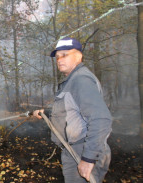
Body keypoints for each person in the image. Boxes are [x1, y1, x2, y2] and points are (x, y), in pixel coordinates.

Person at [33, 37, 112, 183]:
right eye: (57, 57)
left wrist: (88, 158)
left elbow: (101, 119)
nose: (59, 60)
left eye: (65, 55)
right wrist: (47, 114)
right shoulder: (72, 80)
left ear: (78, 56)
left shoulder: (81, 80)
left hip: (82, 151)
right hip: (75, 150)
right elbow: (72, 110)